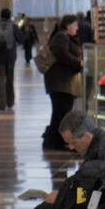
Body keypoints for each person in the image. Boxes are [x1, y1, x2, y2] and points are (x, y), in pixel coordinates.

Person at [42, 14, 84, 151]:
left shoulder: (64, 37)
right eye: (75, 25)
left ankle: (54, 141)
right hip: (60, 83)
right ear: (68, 25)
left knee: (60, 112)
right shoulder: (62, 37)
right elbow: (62, 55)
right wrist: (78, 62)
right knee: (61, 112)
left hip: (62, 82)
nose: (77, 28)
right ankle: (56, 142)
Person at [0, 8, 24, 111]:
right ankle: (10, 102)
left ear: (1, 15)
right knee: (9, 79)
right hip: (10, 56)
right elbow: (21, 39)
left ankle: (2, 102)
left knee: (0, 78)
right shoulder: (13, 27)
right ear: (10, 16)